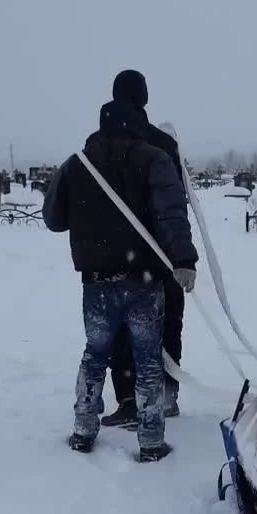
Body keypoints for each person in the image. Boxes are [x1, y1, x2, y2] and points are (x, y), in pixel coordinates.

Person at [42, 93, 198, 462]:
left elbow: (53, 218)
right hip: (144, 280)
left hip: (96, 282)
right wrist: (184, 259)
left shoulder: (76, 164)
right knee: (147, 358)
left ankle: (83, 430)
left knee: (95, 353)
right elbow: (170, 213)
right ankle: (150, 441)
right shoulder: (154, 159)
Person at [97, 71, 189, 429]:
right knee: (166, 322)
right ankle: (165, 394)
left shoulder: (98, 144)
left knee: (121, 326)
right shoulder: (161, 145)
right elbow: (173, 203)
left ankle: (128, 398)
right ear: (144, 98)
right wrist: (180, 252)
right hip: (159, 250)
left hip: (114, 253)